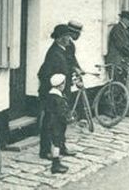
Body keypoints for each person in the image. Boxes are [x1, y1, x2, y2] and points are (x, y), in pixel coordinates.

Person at [37, 24, 78, 159]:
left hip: (62, 91)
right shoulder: (54, 53)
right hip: (52, 94)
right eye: (67, 36)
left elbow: (67, 68)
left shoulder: (63, 50)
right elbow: (44, 74)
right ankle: (45, 151)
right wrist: (54, 91)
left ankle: (61, 147)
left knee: (61, 122)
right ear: (60, 38)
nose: (69, 39)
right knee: (50, 123)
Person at [44, 74, 70, 174]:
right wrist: (66, 119)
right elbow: (61, 113)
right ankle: (55, 165)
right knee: (57, 143)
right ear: (60, 85)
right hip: (56, 124)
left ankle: (56, 162)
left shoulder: (50, 95)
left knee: (54, 143)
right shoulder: (58, 99)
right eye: (64, 84)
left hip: (50, 122)